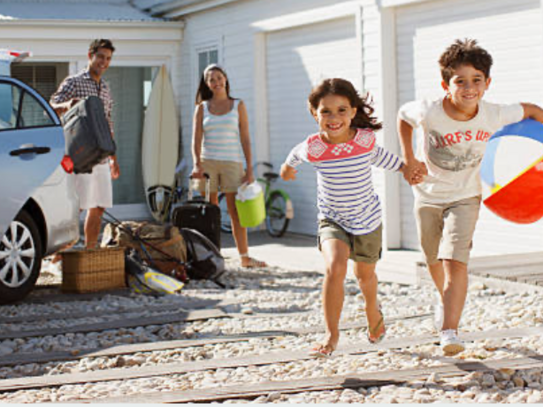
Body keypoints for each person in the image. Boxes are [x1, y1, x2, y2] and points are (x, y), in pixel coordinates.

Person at [397, 38, 543, 355]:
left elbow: (532, 110)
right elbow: (402, 118)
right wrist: (409, 159)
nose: (469, 88)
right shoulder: (428, 110)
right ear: (445, 84)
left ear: (487, 83)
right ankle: (443, 298)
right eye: (460, 81)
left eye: (477, 80)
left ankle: (450, 331)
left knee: (455, 259)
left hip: (466, 196)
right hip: (427, 195)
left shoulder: (494, 113)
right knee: (432, 256)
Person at [281, 78, 415, 357]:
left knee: (364, 276)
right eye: (326, 111)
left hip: (367, 219)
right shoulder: (315, 147)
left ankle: (372, 310)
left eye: (342, 110)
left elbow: (382, 158)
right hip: (333, 219)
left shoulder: (364, 140)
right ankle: (331, 335)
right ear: (314, 113)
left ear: (353, 111)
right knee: (335, 267)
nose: (334, 118)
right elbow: (295, 155)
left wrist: (406, 169)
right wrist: (286, 168)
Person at [191, 64, 266, 268]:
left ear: (225, 79)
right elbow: (196, 139)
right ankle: (214, 254)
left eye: (219, 77)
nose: (216, 82)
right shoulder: (202, 107)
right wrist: (197, 164)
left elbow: (245, 138)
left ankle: (244, 257)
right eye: (211, 79)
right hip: (208, 164)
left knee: (235, 212)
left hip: (232, 162)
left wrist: (249, 168)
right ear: (207, 84)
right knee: (211, 212)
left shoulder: (238, 105)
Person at [50, 39, 120, 252]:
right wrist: (67, 105)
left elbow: (108, 123)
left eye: (108, 58)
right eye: (100, 56)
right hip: (81, 156)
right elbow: (51, 105)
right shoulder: (74, 81)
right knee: (77, 207)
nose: (104, 62)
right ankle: (58, 255)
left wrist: (114, 159)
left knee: (99, 206)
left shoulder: (106, 89)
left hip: (102, 156)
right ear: (90, 55)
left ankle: (90, 251)